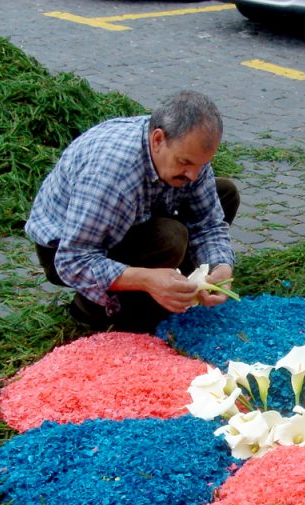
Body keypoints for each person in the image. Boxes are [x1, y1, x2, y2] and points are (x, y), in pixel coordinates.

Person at [26, 90, 240, 332]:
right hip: (67, 250)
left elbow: (208, 223)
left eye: (201, 165)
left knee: (225, 194)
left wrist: (219, 265)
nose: (193, 175)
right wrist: (147, 279)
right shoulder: (111, 175)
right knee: (170, 237)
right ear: (158, 139)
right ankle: (92, 308)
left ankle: (173, 282)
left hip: (135, 217)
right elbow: (73, 260)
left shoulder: (187, 155)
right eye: (185, 163)